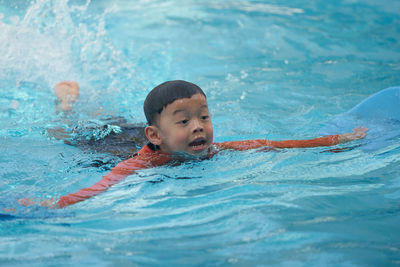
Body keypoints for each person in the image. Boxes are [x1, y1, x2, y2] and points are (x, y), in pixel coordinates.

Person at [18, 80, 368, 209]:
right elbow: (102, 186)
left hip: (138, 130)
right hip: (104, 148)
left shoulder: (210, 147)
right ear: (155, 136)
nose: (198, 127)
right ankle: (65, 102)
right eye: (185, 121)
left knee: (111, 119)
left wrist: (335, 140)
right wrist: (57, 203)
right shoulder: (142, 164)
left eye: (204, 116)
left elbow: (269, 143)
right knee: (71, 129)